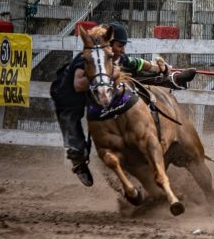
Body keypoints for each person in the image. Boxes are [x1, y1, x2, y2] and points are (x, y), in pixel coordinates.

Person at [50, 22, 195, 186]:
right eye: (120, 45)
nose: (123, 49)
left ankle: (169, 79)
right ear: (108, 44)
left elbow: (135, 63)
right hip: (70, 97)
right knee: (74, 136)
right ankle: (79, 163)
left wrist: (159, 67)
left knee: (128, 75)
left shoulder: (114, 56)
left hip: (99, 89)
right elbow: (79, 85)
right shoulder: (87, 58)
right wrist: (111, 75)